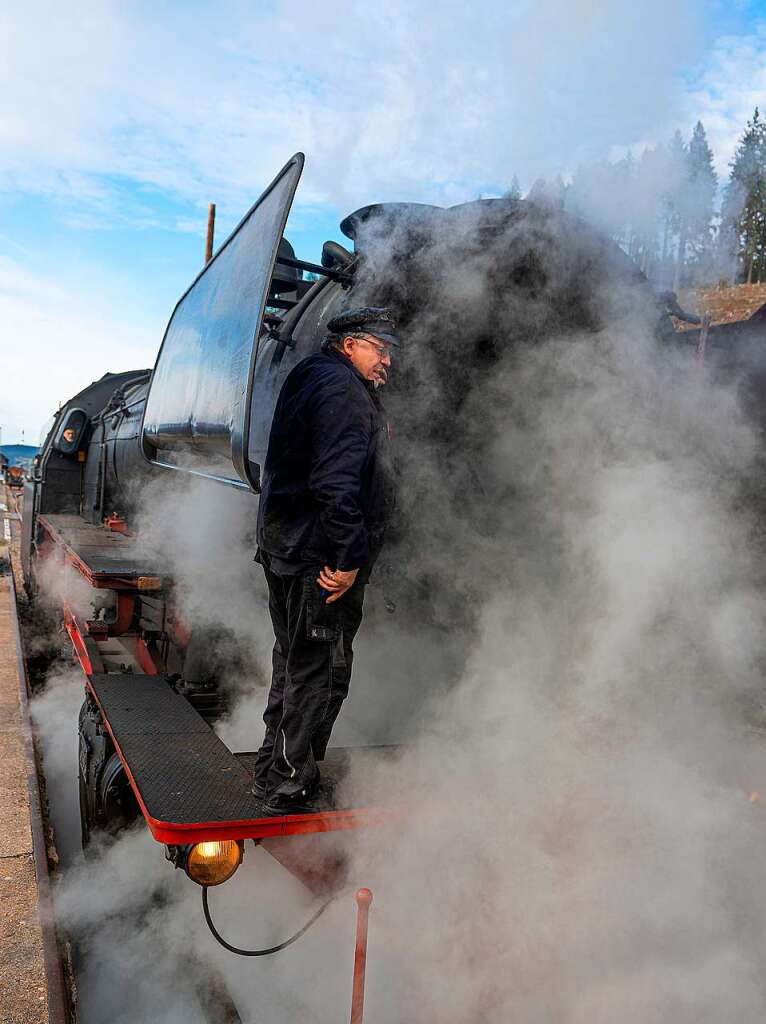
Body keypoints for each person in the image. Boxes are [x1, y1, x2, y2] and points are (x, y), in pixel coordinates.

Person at [251, 306, 399, 815]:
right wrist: (348, 558)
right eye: (381, 350)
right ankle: (291, 783)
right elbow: (335, 483)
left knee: (291, 660)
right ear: (351, 343)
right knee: (321, 668)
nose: (387, 363)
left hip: (287, 546)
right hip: (320, 558)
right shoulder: (343, 392)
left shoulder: (310, 376)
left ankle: (273, 767)